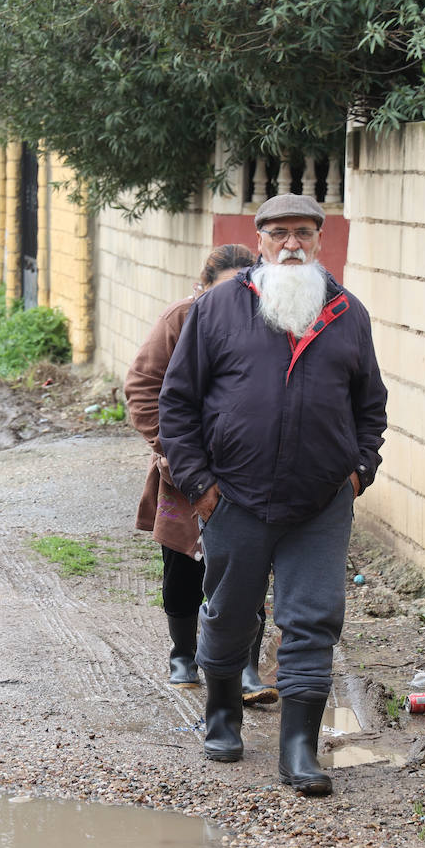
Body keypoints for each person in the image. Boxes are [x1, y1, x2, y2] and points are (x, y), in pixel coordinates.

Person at [159, 193, 388, 795]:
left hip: (320, 503)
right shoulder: (219, 310)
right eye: (280, 233)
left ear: (319, 240)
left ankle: (299, 749)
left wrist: (360, 469)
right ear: (259, 239)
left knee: (313, 621)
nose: (292, 244)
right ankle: (223, 714)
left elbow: (371, 405)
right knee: (232, 615)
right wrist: (201, 486)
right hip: (234, 497)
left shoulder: (346, 312)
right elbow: (177, 404)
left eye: (304, 234)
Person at [124, 244, 276, 705]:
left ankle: (246, 666)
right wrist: (170, 450)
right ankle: (183, 654)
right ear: (202, 288)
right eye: (223, 289)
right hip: (185, 469)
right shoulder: (181, 319)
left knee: (248, 568)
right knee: (184, 564)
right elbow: (142, 388)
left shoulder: (270, 321)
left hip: (248, 474)